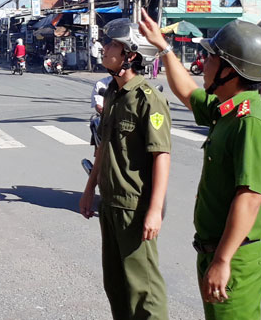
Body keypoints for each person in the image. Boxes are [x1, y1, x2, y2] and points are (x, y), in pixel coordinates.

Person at [139, 12, 261, 320]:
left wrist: (223, 260)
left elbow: (250, 197)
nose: (204, 64)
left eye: (212, 59)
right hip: (214, 251)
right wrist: (164, 48)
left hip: (234, 257)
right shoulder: (229, 110)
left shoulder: (251, 123)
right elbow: (188, 94)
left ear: (230, 71)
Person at [79, 18, 172, 320]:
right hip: (109, 203)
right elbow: (103, 146)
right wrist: (89, 188)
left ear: (130, 55)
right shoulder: (111, 94)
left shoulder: (148, 100)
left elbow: (161, 155)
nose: (104, 49)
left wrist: (155, 210)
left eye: (111, 45)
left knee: (144, 291)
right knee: (116, 286)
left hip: (135, 207)